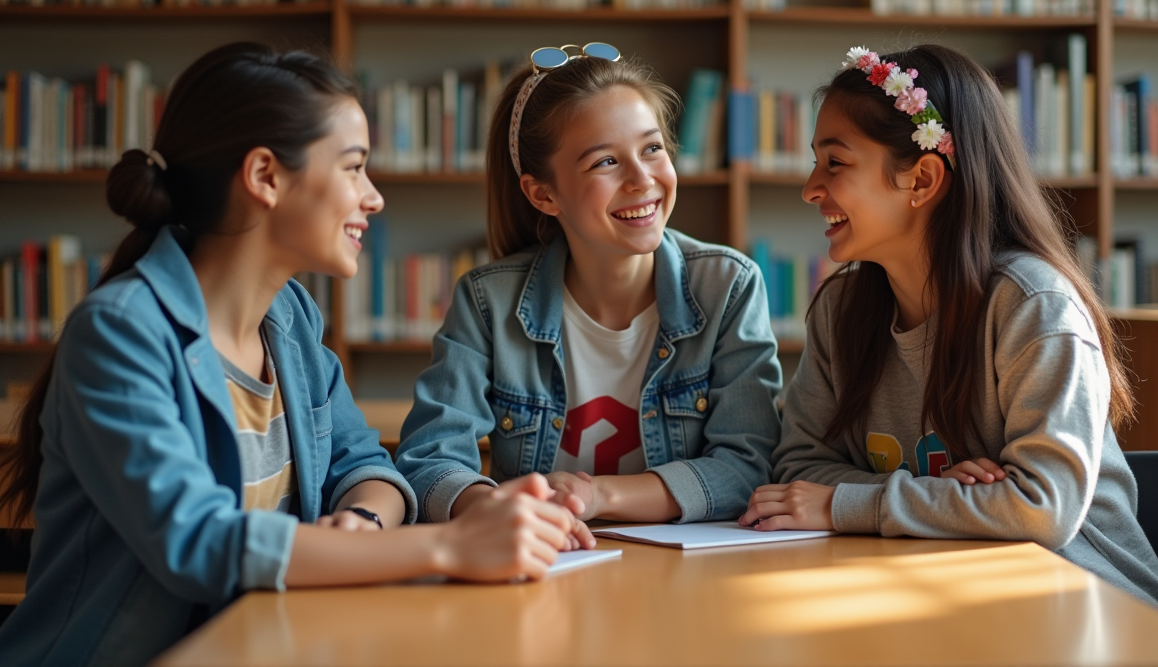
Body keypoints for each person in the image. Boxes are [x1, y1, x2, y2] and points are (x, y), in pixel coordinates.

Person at [0, 43, 574, 666]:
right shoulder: (118, 334)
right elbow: (199, 543)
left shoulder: (289, 317)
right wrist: (451, 547)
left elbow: (365, 466)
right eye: (353, 168)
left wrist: (362, 526)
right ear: (265, 177)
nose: (374, 197)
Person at [740, 43, 1158, 613]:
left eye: (835, 163)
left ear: (921, 179)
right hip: (947, 596)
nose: (810, 188)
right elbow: (796, 468)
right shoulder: (840, 310)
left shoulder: (1033, 306)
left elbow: (1040, 510)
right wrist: (942, 498)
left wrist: (844, 502)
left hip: (1092, 609)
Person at [395, 43, 781, 540]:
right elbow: (429, 460)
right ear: (544, 194)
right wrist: (498, 511)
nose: (643, 180)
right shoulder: (487, 303)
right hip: (542, 567)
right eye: (605, 163)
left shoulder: (728, 286)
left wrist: (597, 496)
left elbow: (747, 466)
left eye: (652, 148)